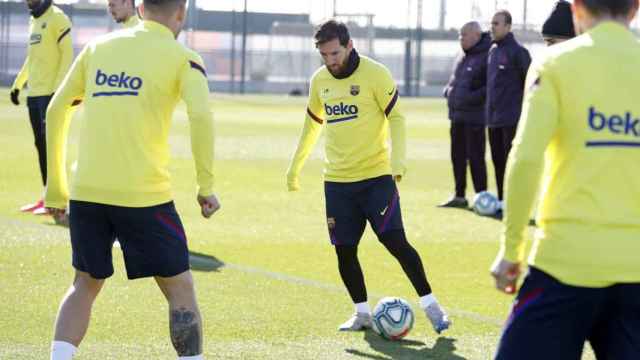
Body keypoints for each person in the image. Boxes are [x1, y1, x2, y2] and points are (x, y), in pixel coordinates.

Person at [44, 0, 219, 359]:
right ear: (181, 14)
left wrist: (56, 190)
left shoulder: (97, 49)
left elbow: (55, 109)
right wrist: (205, 188)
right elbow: (201, 115)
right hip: (144, 197)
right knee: (180, 288)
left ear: (139, 7)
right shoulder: (183, 57)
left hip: (87, 193)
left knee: (84, 283)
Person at [491, 0, 640, 358]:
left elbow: (525, 158)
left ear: (576, 10)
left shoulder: (555, 62)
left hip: (564, 264)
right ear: (635, 9)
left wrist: (511, 251)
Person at [286, 20, 450, 334]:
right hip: (337, 183)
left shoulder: (376, 74)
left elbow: (397, 117)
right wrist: (295, 166)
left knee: (395, 242)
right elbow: (312, 126)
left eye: (335, 53)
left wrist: (398, 163)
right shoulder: (320, 81)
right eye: (324, 55)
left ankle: (432, 307)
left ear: (348, 45)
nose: (330, 60)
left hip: (376, 179)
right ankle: (361, 313)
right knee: (344, 250)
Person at [10, 0, 72, 215]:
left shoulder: (58, 18)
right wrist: (18, 84)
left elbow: (67, 56)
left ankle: (59, 201)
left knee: (52, 148)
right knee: (41, 146)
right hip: (34, 95)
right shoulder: (33, 21)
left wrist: (57, 91)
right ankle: (48, 197)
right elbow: (32, 58)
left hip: (49, 95)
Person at [439, 21, 490, 208]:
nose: (461, 38)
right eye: (459, 35)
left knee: (476, 158)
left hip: (475, 117)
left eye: (464, 35)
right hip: (457, 116)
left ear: (476, 35)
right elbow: (455, 81)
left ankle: (482, 197)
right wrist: (448, 91)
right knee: (457, 157)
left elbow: (489, 87)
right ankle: (459, 196)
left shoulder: (487, 55)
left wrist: (470, 97)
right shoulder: (462, 56)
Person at [486, 10, 531, 214]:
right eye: (491, 23)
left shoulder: (518, 52)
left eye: (496, 23)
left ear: (508, 26)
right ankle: (503, 201)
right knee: (497, 162)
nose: (492, 27)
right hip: (493, 119)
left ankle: (516, 204)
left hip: (512, 119)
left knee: (512, 163)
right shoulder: (492, 51)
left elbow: (530, 85)